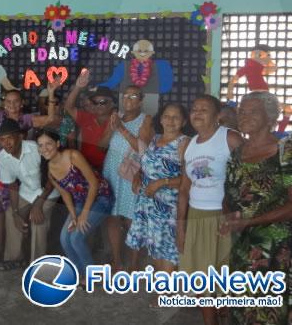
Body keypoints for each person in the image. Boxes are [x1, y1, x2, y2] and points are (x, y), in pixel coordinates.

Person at [222, 92, 292, 324]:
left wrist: (249, 222)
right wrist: (227, 216)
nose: (244, 115)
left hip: (276, 250)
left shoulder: (285, 151)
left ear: (270, 117)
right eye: (242, 111)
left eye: (253, 111)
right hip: (242, 245)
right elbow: (229, 194)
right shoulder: (237, 153)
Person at [177, 95, 244, 325]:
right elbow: (184, 189)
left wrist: (238, 215)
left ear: (217, 116)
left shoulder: (230, 138)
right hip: (196, 216)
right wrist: (181, 226)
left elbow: (249, 180)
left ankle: (226, 315)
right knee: (201, 281)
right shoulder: (188, 144)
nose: (197, 113)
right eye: (194, 108)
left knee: (226, 277)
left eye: (204, 109)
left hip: (224, 217)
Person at [36, 129, 112, 281]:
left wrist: (84, 214)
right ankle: (78, 272)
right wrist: (73, 216)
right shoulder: (50, 170)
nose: (44, 149)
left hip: (101, 198)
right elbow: (65, 194)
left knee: (76, 238)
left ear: (58, 144)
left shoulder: (73, 156)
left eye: (48, 144)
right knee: (65, 238)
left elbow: (94, 183)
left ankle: (92, 275)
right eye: (40, 145)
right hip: (79, 202)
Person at [126, 103, 190, 272]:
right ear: (161, 119)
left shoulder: (184, 143)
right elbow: (147, 163)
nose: (171, 121)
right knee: (155, 247)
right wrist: (138, 174)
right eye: (167, 116)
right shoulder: (155, 138)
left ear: (184, 122)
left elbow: (190, 178)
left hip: (169, 207)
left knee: (169, 251)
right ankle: (161, 291)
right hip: (148, 204)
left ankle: (167, 295)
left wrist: (162, 183)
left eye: (176, 117)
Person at [102, 85, 153, 271]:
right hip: (111, 172)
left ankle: (133, 264)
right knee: (113, 217)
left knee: (132, 218)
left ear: (141, 100)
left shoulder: (145, 119)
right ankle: (117, 261)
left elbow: (144, 149)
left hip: (132, 175)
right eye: (126, 95)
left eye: (134, 96)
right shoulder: (117, 118)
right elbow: (102, 144)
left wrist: (122, 129)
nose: (128, 99)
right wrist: (111, 127)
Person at [0, 119, 59, 269]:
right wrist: (16, 212)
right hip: (26, 192)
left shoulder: (35, 149)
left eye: (10, 138)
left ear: (19, 137)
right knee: (11, 214)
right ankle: (14, 258)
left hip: (48, 192)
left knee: (37, 218)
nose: (7, 143)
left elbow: (52, 177)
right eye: (2, 140)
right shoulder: (2, 157)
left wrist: (38, 204)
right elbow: (12, 185)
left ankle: (37, 264)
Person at [0, 67, 59, 134]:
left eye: (16, 101)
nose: (12, 104)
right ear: (4, 104)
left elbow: (50, 119)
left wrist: (51, 93)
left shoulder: (27, 119)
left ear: (22, 103)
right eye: (8, 101)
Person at [64, 69, 116, 172]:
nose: (98, 105)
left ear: (112, 104)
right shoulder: (87, 117)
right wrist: (78, 87)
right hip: (85, 167)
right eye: (95, 102)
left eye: (103, 102)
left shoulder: (117, 121)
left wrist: (113, 122)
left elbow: (102, 147)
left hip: (108, 170)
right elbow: (68, 107)